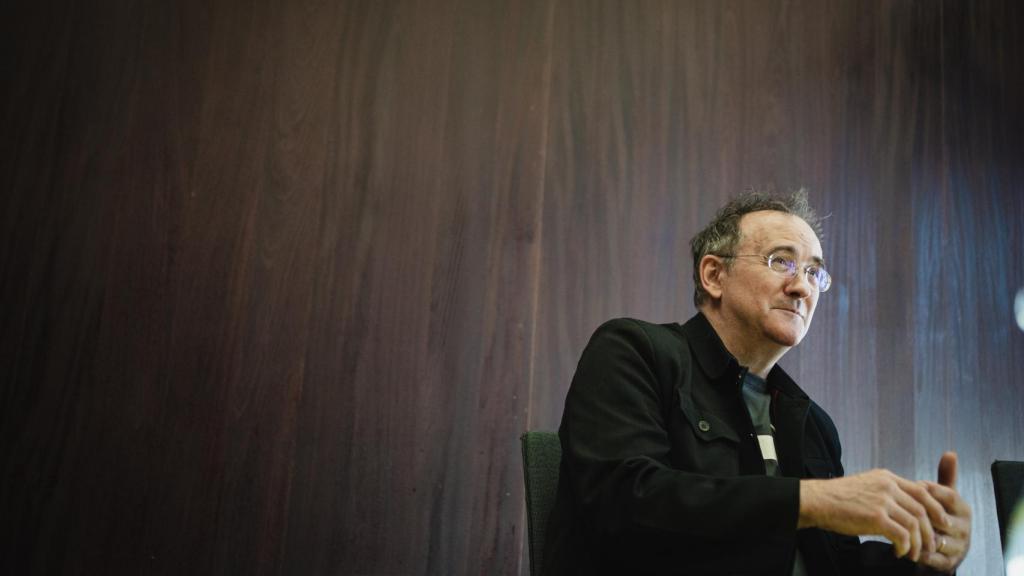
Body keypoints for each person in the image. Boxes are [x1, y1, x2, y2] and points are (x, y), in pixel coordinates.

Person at [543, 190, 972, 575]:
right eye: (781, 261)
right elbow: (627, 504)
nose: (802, 286)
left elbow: (833, 564)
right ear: (714, 275)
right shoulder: (636, 350)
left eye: (814, 272)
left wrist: (928, 557)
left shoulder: (813, 424)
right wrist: (811, 501)